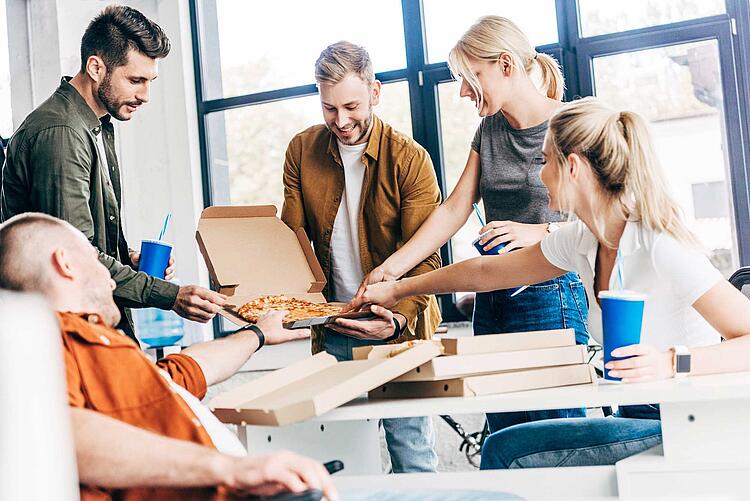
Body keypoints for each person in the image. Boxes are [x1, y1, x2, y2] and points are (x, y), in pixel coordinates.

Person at [352, 97, 750, 469]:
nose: (540, 174)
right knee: (505, 441)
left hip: (688, 424)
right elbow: (487, 272)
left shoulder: (660, 245)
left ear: (572, 167)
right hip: (638, 412)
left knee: (504, 450)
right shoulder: (584, 239)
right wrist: (398, 287)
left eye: (545, 162)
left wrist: (670, 362)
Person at [354, 15, 588, 433]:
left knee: (554, 434)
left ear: (505, 65)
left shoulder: (572, 125)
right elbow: (454, 209)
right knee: (502, 431)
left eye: (469, 76)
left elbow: (601, 216)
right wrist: (393, 268)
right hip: (492, 296)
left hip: (551, 293)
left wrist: (542, 232)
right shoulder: (489, 129)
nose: (462, 90)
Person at [0, 212, 338, 500]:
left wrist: (258, 333)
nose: (114, 281)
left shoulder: (96, 345)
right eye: (98, 258)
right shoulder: (38, 342)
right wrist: (234, 468)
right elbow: (59, 432)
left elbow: (181, 374)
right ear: (66, 263)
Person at [0, 5, 225, 341]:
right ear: (95, 67)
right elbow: (74, 260)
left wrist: (127, 259)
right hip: (68, 338)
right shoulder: (61, 133)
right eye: (135, 80)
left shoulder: (94, 124)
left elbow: (83, 241)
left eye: (150, 81)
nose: (145, 95)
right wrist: (171, 296)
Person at [280, 41, 442, 473]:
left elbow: (428, 260)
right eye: (328, 108)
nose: (341, 121)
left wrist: (398, 316)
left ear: (375, 91)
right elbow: (290, 241)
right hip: (334, 325)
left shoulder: (410, 160)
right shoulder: (301, 151)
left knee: (413, 455)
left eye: (350, 105)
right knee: (343, 457)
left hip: (400, 331)